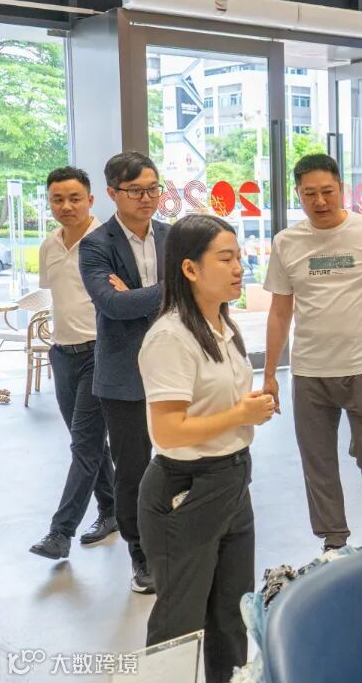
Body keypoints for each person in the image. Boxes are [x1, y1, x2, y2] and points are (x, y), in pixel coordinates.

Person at [137, 215, 274, 683]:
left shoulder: (223, 325)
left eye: (239, 257)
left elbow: (214, 401)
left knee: (232, 614)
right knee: (179, 624)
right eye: (226, 258)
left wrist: (246, 408)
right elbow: (169, 431)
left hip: (233, 479)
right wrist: (238, 415)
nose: (239, 268)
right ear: (190, 269)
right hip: (187, 489)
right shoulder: (170, 337)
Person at [263, 154, 362, 550]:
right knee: (318, 462)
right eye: (309, 193)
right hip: (309, 371)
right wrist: (268, 374)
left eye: (327, 191)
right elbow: (280, 311)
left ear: (341, 189)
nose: (320, 201)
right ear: (298, 194)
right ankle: (333, 539)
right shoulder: (286, 242)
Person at [79, 151, 170, 593]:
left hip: (175, 368)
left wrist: (138, 294)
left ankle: (175, 541)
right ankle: (141, 553)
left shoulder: (174, 236)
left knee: (181, 460)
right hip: (124, 377)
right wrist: (173, 289)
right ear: (112, 193)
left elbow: (205, 291)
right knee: (132, 469)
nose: (147, 198)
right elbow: (112, 306)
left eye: (153, 188)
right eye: (135, 191)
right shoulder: (96, 245)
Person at [29, 167, 118, 560]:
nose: (66, 206)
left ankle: (60, 532)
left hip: (100, 353)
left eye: (74, 198)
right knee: (90, 444)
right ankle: (111, 511)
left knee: (84, 445)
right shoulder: (49, 245)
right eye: (57, 199)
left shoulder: (108, 242)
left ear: (90, 200)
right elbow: (57, 294)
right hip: (63, 354)